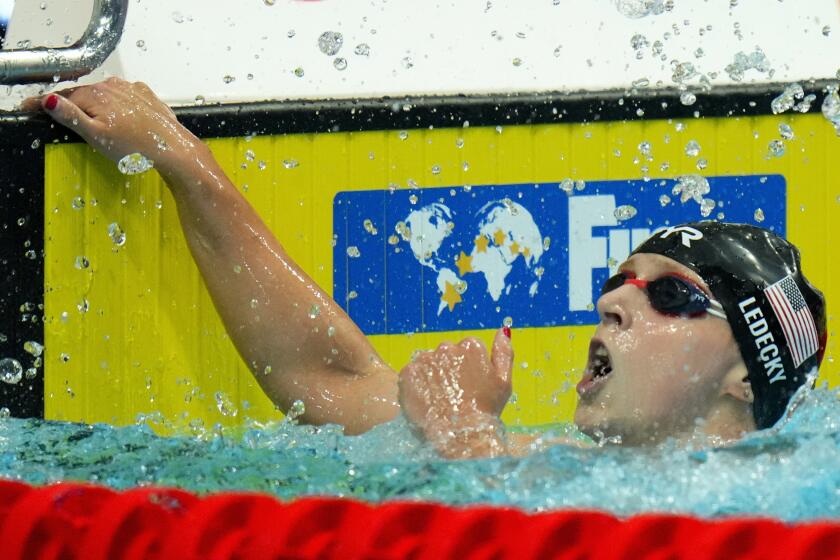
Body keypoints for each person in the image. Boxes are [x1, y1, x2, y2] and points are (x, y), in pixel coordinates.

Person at [26, 79, 828, 458]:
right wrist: (182, 163)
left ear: (746, 376)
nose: (617, 300)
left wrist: (464, 434)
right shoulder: (548, 462)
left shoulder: (764, 509)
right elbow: (323, 375)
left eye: (672, 297)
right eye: (619, 280)